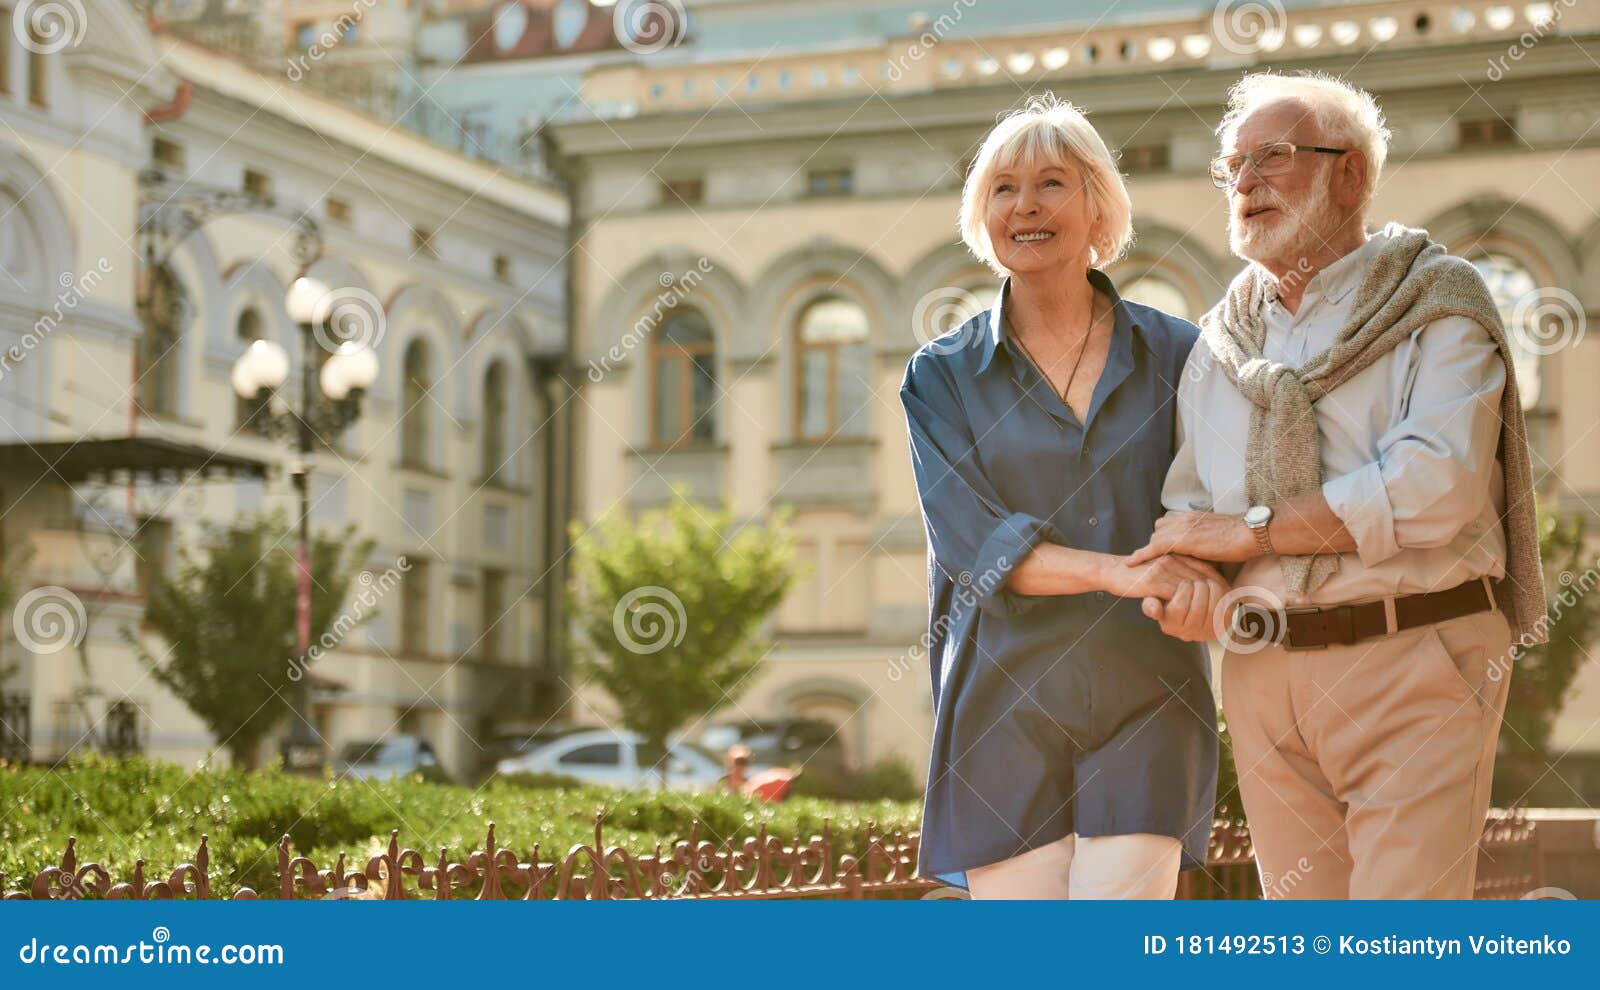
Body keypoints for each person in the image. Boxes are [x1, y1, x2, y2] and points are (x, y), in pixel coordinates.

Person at [1129, 71, 1547, 899]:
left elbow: (1435, 490)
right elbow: (1191, 508)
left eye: (1272, 158)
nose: (1245, 182)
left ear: (1349, 173)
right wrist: (1186, 579)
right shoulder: (1219, 342)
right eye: (1232, 165)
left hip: (1414, 654)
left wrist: (1246, 535)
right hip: (1261, 671)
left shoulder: (1439, 300)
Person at [901, 94, 1225, 900]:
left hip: (1148, 695)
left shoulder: (1181, 355)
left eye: (1052, 182)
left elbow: (1214, 508)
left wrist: (1202, 585)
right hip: (1001, 708)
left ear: (1098, 208)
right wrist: (1121, 573)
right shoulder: (940, 376)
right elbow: (975, 549)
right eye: (1003, 190)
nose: (1026, 206)